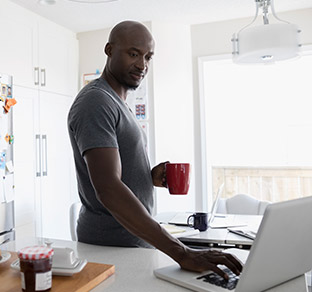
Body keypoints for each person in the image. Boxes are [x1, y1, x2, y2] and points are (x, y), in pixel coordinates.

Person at [67, 20, 242, 279]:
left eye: (148, 56)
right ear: (109, 50)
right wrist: (182, 252)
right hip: (111, 249)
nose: (142, 64)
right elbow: (108, 189)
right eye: (133, 53)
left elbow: (113, 172)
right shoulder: (96, 102)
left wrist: (146, 177)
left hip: (131, 243)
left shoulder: (118, 102)